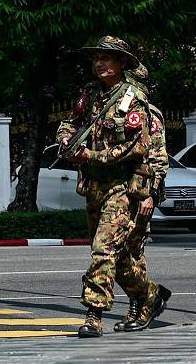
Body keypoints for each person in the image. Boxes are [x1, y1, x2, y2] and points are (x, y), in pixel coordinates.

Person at [56, 35, 170, 337]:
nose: (99, 63)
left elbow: (136, 148)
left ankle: (94, 315)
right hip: (94, 184)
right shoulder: (91, 94)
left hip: (124, 186)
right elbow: (72, 123)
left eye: (106, 58)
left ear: (122, 63)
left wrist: (91, 155)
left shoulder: (134, 100)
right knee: (115, 257)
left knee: (103, 250)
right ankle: (149, 295)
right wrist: (66, 138)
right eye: (96, 58)